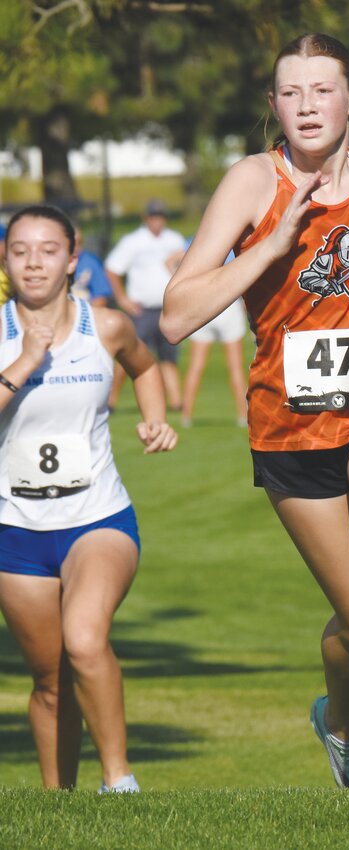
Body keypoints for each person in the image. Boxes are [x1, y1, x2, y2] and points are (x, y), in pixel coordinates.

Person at [161, 33, 349, 792]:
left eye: (322, 91)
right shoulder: (250, 184)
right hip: (292, 426)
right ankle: (339, 721)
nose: (306, 106)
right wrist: (266, 250)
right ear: (273, 105)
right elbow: (172, 318)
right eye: (290, 93)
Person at [0, 204, 178, 792]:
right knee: (50, 677)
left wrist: (155, 418)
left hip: (95, 516)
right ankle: (59, 802)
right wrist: (23, 362)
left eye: (48, 250)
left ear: (73, 259)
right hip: (14, 529)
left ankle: (119, 781)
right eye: (20, 249)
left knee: (83, 638)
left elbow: (145, 366)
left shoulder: (105, 327)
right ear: (4, 258)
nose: (33, 262)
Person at [105, 200, 187, 410]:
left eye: (160, 217)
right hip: (142, 309)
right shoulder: (133, 241)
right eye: (153, 217)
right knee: (130, 354)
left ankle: (176, 401)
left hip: (167, 307)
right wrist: (122, 298)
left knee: (169, 355)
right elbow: (113, 268)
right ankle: (111, 399)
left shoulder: (174, 239)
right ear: (146, 218)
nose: (157, 221)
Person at [179, 251, 248, 428]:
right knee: (235, 367)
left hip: (204, 305)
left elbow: (174, 263)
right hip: (229, 306)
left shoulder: (197, 241)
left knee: (196, 365)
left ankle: (185, 416)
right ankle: (243, 416)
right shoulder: (234, 242)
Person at [71, 227, 114, 306]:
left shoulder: (91, 263)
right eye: (71, 244)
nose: (76, 248)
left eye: (79, 243)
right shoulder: (53, 263)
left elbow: (101, 298)